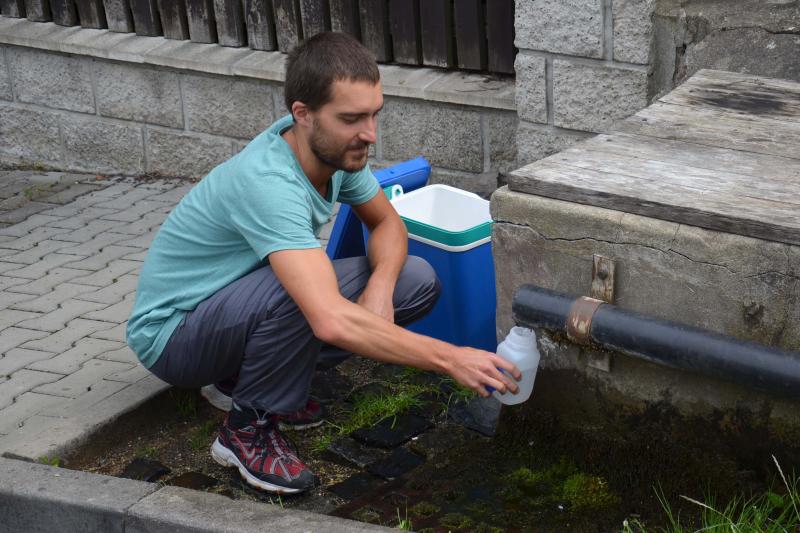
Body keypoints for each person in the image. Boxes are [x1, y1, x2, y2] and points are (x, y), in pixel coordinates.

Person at [126, 32, 521, 494]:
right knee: (303, 295)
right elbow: (329, 319)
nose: (369, 134)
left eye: (374, 115)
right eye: (352, 118)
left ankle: (242, 378)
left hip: (227, 309)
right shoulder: (270, 182)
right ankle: (246, 432)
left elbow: (388, 226)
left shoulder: (332, 154)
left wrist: (379, 288)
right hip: (173, 336)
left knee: (412, 278)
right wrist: (450, 358)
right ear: (303, 114)